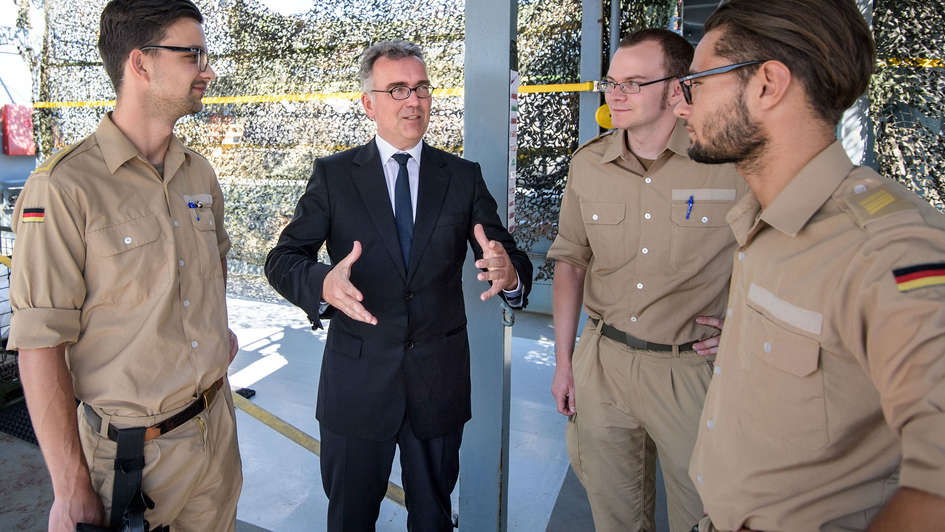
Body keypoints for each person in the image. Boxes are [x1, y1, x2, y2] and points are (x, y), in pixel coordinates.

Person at [674, 1, 945, 530]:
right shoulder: (763, 219)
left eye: (697, 83)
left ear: (768, 84)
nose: (682, 107)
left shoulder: (889, 249)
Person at [265, 40, 532, 532]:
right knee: (350, 517)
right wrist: (322, 284)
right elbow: (283, 258)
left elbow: (504, 253)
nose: (414, 100)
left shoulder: (462, 177)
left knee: (433, 519)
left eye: (422, 88)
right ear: (369, 103)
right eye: (398, 89)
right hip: (358, 385)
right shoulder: (335, 175)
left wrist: (509, 272)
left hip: (438, 383)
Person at [10, 1, 242, 530]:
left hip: (215, 435)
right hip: (133, 461)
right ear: (140, 64)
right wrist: (70, 489)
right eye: (193, 55)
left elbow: (213, 269)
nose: (206, 70)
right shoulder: (64, 187)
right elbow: (40, 344)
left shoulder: (198, 173)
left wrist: (211, 334)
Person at [547, 29, 745, 532]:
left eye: (634, 82)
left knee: (704, 516)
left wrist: (744, 326)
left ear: (678, 88)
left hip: (690, 370)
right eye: (612, 82)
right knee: (615, 517)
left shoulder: (727, 167)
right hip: (605, 364)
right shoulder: (588, 164)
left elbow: (771, 255)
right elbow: (570, 261)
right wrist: (565, 362)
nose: (616, 94)